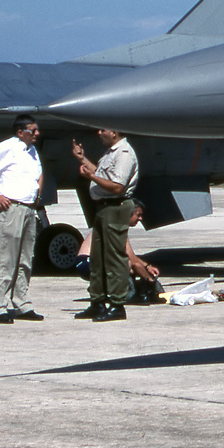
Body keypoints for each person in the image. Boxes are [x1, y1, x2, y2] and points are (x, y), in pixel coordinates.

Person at [0, 114, 45, 323]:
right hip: (11, 209)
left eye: (37, 130)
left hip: (29, 209)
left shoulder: (31, 151)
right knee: (6, 258)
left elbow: (39, 173)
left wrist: (37, 193)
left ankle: (21, 303)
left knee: (25, 259)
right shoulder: (9, 147)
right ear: (20, 132)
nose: (37, 134)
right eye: (32, 130)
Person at [72, 130, 138, 322]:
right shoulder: (111, 152)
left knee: (114, 258)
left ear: (114, 132)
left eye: (103, 129)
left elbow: (117, 186)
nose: (99, 133)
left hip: (115, 206)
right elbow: (102, 174)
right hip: (104, 207)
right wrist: (82, 159)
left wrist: (91, 178)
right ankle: (97, 302)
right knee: (98, 257)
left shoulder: (124, 153)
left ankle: (117, 305)